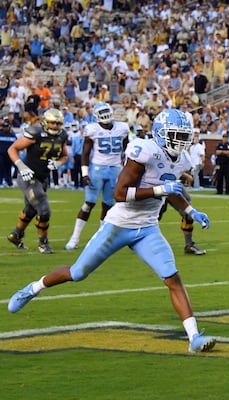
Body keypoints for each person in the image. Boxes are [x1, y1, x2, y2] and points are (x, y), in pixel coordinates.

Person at [7, 108, 216, 354]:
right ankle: (34, 288)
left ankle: (194, 338)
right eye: (175, 134)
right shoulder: (144, 150)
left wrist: (191, 211)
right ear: (160, 133)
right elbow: (120, 194)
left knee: (173, 278)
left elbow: (172, 190)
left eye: (184, 135)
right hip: (119, 224)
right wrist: (160, 190)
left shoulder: (182, 159)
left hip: (148, 227)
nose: (181, 141)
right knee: (77, 272)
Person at [65, 102, 130, 250]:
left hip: (115, 169)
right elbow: (85, 153)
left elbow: (128, 150)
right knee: (89, 203)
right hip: (98, 169)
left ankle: (101, 238)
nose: (105, 115)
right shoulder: (92, 129)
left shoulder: (122, 128)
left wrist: (127, 169)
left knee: (108, 205)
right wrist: (85, 173)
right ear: (96, 116)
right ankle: (75, 238)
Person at [7, 108, 68, 253]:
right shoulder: (35, 134)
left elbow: (65, 155)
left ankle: (16, 234)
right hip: (28, 176)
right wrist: (21, 166)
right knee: (44, 208)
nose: (54, 126)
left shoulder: (62, 136)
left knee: (31, 209)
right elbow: (12, 149)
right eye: (52, 123)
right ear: (45, 122)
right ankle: (43, 243)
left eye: (57, 123)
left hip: (42, 177)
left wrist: (58, 163)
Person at [0, 118, 16, 187]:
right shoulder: (0, 134)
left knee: (8, 169)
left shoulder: (12, 135)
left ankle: (9, 182)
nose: (5, 128)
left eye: (6, 127)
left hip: (9, 155)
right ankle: (0, 182)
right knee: (0, 168)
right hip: (1, 154)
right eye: (4, 127)